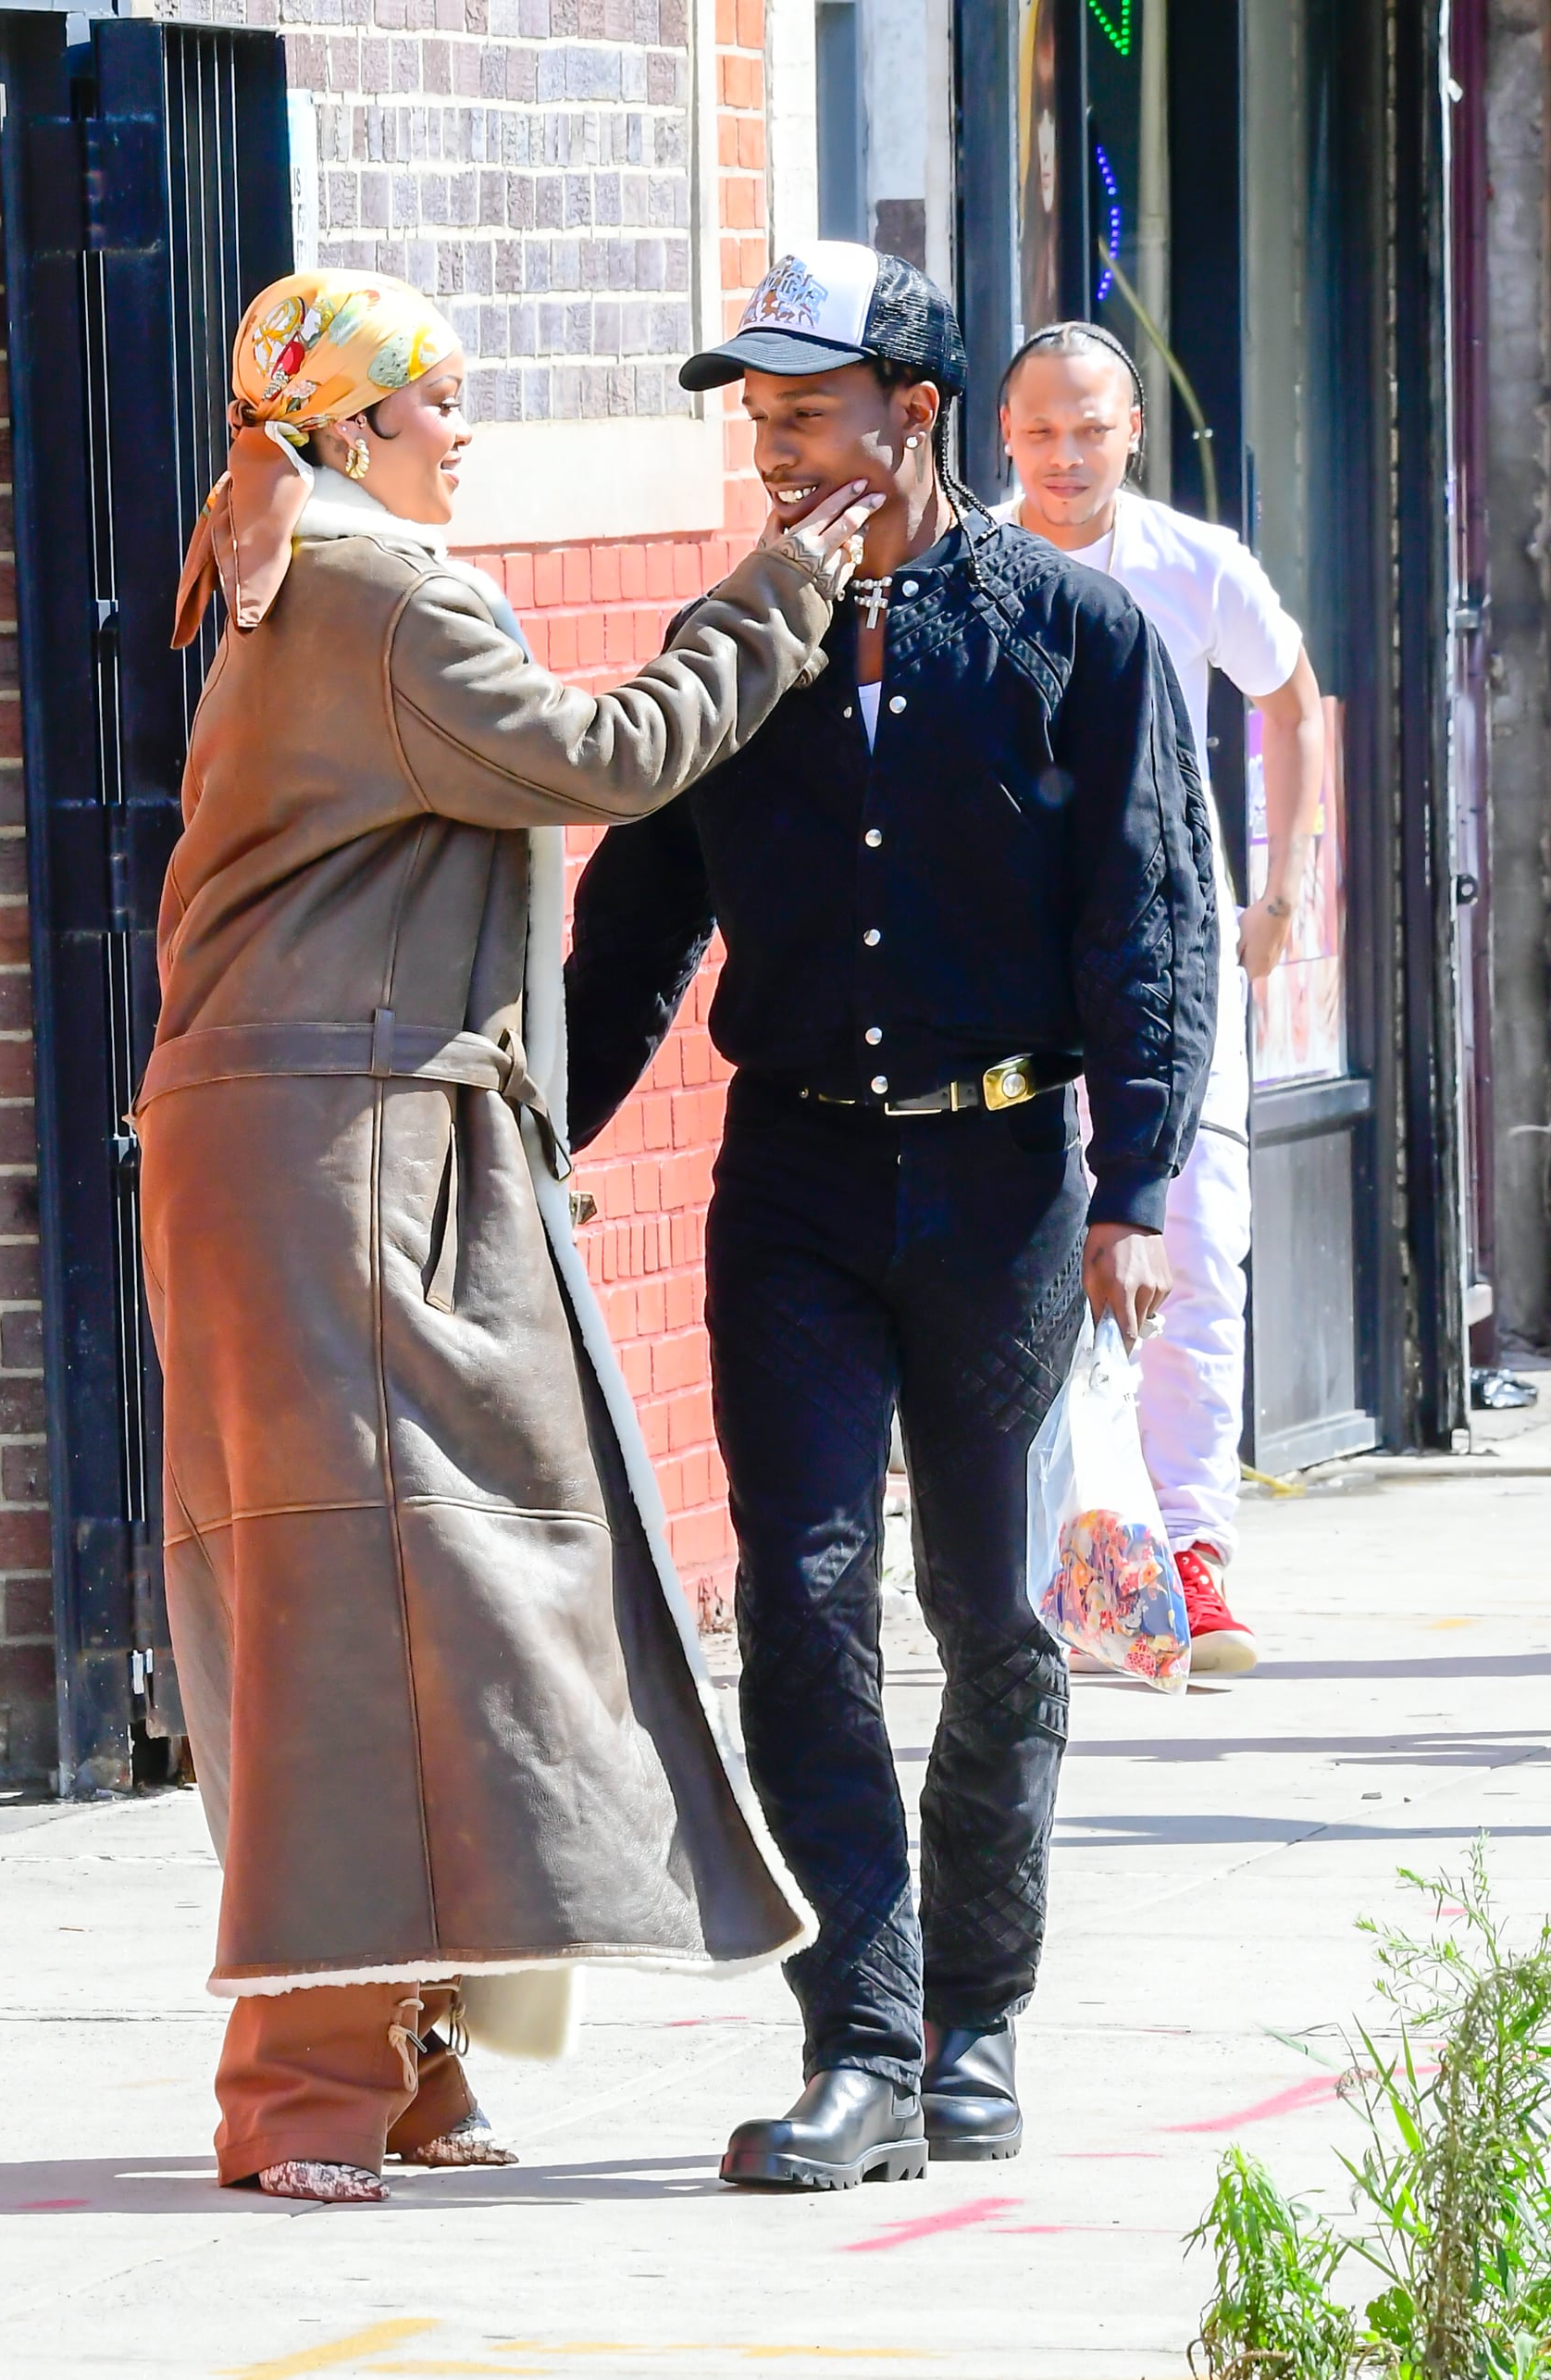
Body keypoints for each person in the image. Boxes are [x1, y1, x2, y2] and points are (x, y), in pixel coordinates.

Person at [140, 268, 877, 2206]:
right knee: (359, 1606)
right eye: (439, 398)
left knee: (446, 1595)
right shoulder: (383, 587)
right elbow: (610, 757)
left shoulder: (295, 560)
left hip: (348, 1136)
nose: (467, 428)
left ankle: (398, 2058)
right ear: (352, 423)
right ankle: (298, 2086)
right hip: (339, 1148)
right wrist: (774, 589)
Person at [564, 243, 1215, 2189]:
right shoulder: (733, 637)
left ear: (910, 416)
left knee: (987, 1612)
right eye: (752, 416)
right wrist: (533, 1125)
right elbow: (630, 929)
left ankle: (974, 2017)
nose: (768, 447)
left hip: (1009, 1179)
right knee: (801, 1593)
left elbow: (1145, 910)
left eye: (800, 411)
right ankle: (855, 2032)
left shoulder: (1071, 634)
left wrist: (1140, 1182)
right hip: (795, 1177)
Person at [999, 321, 1327, 1674]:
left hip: (1171, 954)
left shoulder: (1196, 564)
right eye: (1040, 432)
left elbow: (1292, 700)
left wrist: (1284, 894)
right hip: (1010, 968)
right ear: (1003, 437)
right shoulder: (972, 565)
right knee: (1030, 1264)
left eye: (1092, 428)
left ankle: (1191, 1550)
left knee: (1192, 1248)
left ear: (1133, 428)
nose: (1067, 456)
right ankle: (1064, 1561)